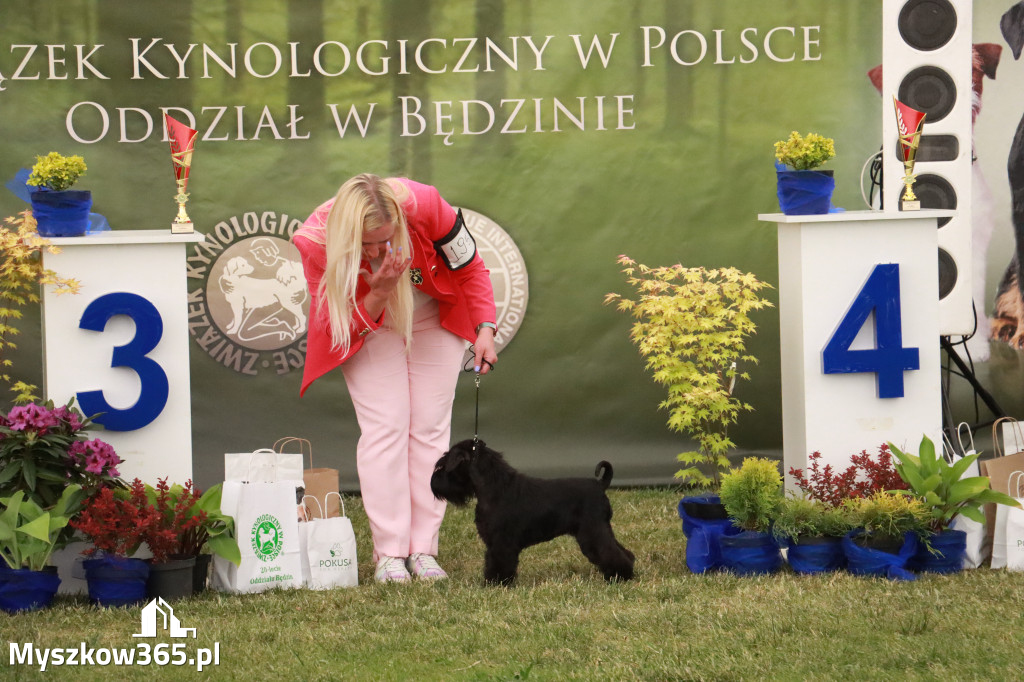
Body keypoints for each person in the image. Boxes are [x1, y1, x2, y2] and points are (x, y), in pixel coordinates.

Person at [293, 173, 498, 583]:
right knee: (385, 427)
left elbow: (470, 267)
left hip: (431, 315)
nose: (376, 250)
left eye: (385, 240)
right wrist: (381, 291)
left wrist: (485, 328)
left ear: (400, 222)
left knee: (429, 429)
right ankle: (389, 553)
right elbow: (341, 328)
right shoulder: (315, 241)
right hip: (369, 320)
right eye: (364, 245)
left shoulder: (426, 206)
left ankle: (423, 550)